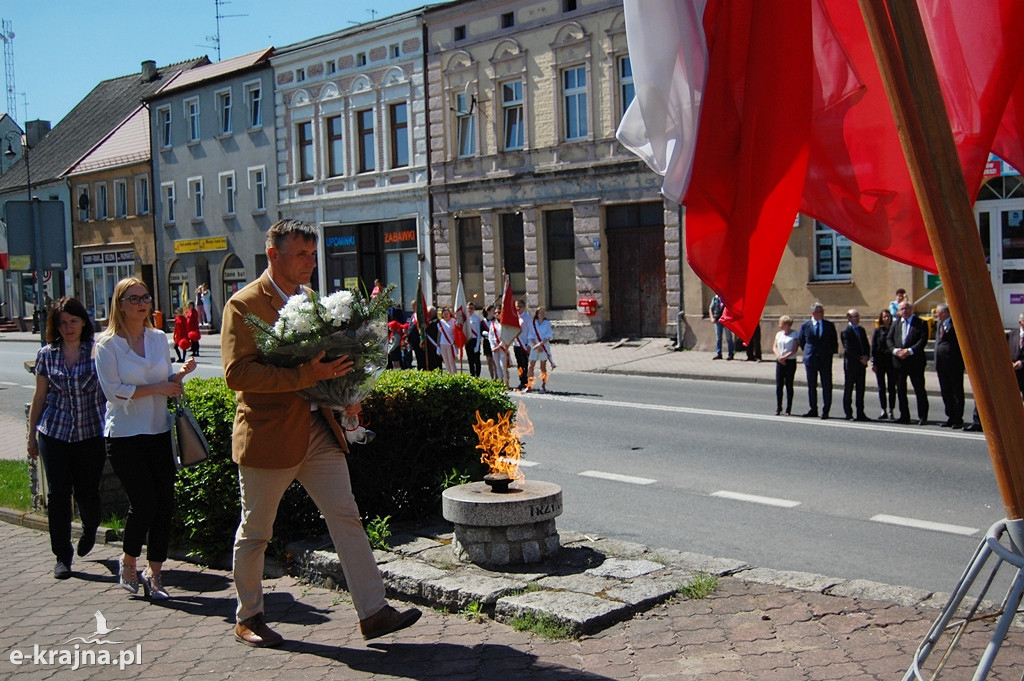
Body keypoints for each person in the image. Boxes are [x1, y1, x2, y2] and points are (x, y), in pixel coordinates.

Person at [221, 218, 420, 648]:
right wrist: (302, 374)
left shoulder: (310, 299)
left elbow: (325, 368)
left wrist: (343, 392)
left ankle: (373, 612)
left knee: (345, 515)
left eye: (313, 254)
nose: (311, 262)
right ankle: (249, 616)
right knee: (256, 530)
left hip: (318, 429)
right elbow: (237, 374)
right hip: (269, 434)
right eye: (302, 255)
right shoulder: (243, 304)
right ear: (273, 255)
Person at [94, 278, 197, 599]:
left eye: (145, 297)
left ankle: (155, 575)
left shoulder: (156, 338)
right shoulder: (107, 345)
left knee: (164, 504)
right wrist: (159, 388)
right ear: (120, 304)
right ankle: (128, 562)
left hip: (158, 430)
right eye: (133, 298)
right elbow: (115, 391)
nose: (142, 303)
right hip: (124, 436)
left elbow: (162, 380)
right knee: (144, 503)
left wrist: (179, 376)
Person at [27, 298, 107, 579]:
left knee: (87, 491)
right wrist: (32, 436)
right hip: (55, 432)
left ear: (83, 322)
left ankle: (89, 528)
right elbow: (39, 397)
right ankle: (62, 555)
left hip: (90, 433)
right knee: (58, 494)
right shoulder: (47, 355)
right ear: (56, 326)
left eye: (73, 321)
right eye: (63, 323)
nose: (68, 327)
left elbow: (110, 389)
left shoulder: (97, 352)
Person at [887, 299, 929, 425]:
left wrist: (910, 351)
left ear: (911, 310)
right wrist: (895, 351)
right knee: (900, 390)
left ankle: (923, 416)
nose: (904, 311)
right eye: (902, 309)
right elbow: (889, 339)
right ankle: (904, 415)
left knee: (919, 389)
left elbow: (922, 340)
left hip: (915, 362)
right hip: (899, 362)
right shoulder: (896, 324)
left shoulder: (920, 323)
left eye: (906, 308)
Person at [797, 302, 838, 419]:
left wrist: (828, 353)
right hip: (811, 358)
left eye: (822, 311)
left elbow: (834, 341)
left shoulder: (829, 325)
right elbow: (801, 340)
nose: (821, 314)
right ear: (813, 313)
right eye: (819, 311)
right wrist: (808, 352)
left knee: (826, 384)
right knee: (811, 385)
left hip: (825, 359)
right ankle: (813, 409)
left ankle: (826, 410)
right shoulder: (806, 325)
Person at [934, 302, 965, 428]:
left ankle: (958, 418)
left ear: (945, 313)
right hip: (941, 365)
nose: (936, 314)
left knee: (956, 392)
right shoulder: (939, 325)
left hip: (954, 365)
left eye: (938, 312)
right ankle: (950, 416)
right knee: (945, 392)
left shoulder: (956, 324)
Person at [840, 308, 871, 421]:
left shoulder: (861, 330)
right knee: (849, 389)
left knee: (860, 389)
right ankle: (848, 413)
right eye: (855, 316)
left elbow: (866, 345)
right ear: (849, 318)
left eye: (858, 316)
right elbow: (848, 349)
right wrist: (859, 358)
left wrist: (867, 356)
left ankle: (860, 412)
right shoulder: (846, 331)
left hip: (861, 364)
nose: (857, 318)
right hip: (851, 365)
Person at [870, 309, 897, 420]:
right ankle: (883, 410)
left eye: (888, 317)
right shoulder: (878, 331)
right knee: (881, 387)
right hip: (880, 362)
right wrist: (873, 361)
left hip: (891, 362)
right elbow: (874, 347)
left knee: (891, 387)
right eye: (884, 317)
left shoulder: (894, 330)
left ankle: (891, 410)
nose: (886, 319)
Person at [772, 315, 799, 415]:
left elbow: (795, 349)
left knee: (789, 384)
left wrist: (785, 357)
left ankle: (788, 408)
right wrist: (779, 357)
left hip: (790, 361)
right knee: (779, 385)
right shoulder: (779, 334)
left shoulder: (794, 334)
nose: (780, 325)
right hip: (780, 361)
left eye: (781, 323)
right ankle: (779, 407)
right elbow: (774, 347)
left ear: (787, 324)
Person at [526, 306, 554, 393]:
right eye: (540, 312)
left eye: (543, 313)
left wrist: (540, 345)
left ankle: (543, 386)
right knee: (531, 366)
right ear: (537, 314)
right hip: (535, 347)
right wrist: (536, 345)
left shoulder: (547, 323)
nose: (542, 314)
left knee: (543, 367)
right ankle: (529, 385)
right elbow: (530, 336)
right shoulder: (533, 323)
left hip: (544, 347)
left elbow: (548, 336)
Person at [513, 298, 533, 389]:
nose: (518, 308)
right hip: (516, 344)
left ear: (524, 307)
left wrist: (529, 344)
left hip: (524, 345)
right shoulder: (514, 317)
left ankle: (526, 381)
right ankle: (521, 381)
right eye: (517, 307)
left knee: (525, 364)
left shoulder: (527, 318)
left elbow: (531, 332)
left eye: (520, 307)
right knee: (519, 364)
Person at [709, 294, 734, 360]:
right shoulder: (715, 298)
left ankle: (730, 354)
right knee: (718, 338)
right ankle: (719, 353)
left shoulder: (727, 298)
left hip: (726, 320)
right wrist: (712, 318)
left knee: (729, 338)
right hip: (718, 320)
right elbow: (710, 308)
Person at [488, 309, 509, 387]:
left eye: (499, 312)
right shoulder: (493, 324)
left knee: (503, 364)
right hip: (495, 347)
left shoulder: (504, 324)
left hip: (502, 347)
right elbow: (490, 336)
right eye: (495, 313)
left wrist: (499, 346)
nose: (497, 314)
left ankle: (506, 382)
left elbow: (505, 336)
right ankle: (500, 381)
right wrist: (493, 346)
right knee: (497, 365)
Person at [465, 302, 483, 378]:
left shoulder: (477, 318)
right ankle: (472, 375)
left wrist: (477, 344)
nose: (470, 310)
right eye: (468, 308)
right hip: (468, 341)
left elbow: (478, 332)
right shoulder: (465, 318)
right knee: (470, 360)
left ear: (474, 309)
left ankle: (477, 375)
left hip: (475, 340)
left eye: (471, 308)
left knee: (477, 360)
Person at [1009, 313, 1024, 402]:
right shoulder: (1012, 334)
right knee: (1012, 401)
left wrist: (1022, 362)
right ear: (1020, 322)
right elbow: (1004, 350)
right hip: (1014, 375)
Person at [437, 307, 457, 373]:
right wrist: (438, 346)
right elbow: (439, 334)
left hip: (450, 344)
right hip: (443, 343)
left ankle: (454, 376)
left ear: (449, 314)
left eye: (447, 313)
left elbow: (456, 333)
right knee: (446, 361)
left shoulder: (453, 321)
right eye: (444, 314)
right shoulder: (440, 323)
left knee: (451, 361)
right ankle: (449, 375)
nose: (446, 315)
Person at [482, 305, 497, 379]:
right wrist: (484, 333)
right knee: (489, 361)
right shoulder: (483, 322)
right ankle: (492, 377)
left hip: (495, 342)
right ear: (488, 312)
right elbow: (481, 332)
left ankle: (498, 377)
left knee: (496, 362)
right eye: (492, 311)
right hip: (487, 343)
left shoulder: (496, 321)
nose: (494, 312)